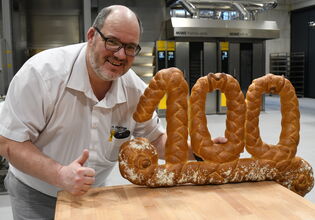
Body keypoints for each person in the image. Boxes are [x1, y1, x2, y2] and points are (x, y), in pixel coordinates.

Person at [0, 5, 168, 220]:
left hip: (93, 195)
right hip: (36, 194)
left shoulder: (135, 91)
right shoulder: (42, 75)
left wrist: (203, 151)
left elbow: (154, 140)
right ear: (91, 35)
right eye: (112, 41)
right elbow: (8, 142)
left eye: (130, 47)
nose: (120, 54)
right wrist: (60, 175)